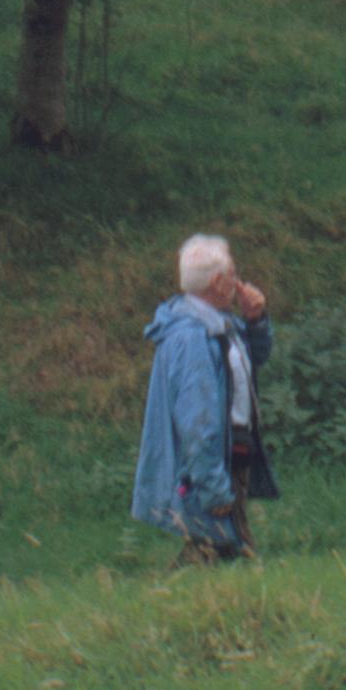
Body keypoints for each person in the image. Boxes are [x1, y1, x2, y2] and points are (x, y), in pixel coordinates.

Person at [132, 234, 277, 561]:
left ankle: (207, 593)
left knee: (224, 546)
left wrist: (255, 321)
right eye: (233, 274)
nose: (238, 282)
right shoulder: (193, 337)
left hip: (232, 451)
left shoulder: (221, 324)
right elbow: (197, 420)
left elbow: (256, 357)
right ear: (217, 282)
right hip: (211, 462)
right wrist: (212, 487)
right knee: (223, 548)